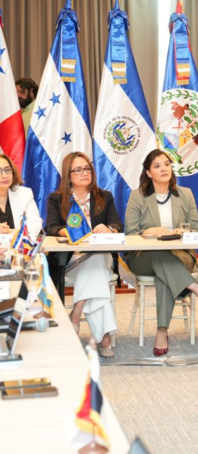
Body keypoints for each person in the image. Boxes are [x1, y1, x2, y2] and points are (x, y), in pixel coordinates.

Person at [124, 149, 198, 357]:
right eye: (157, 166)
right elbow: (130, 234)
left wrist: (183, 232)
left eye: (167, 164)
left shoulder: (185, 194)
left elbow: (195, 229)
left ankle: (161, 331)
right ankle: (197, 289)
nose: (164, 169)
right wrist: (150, 232)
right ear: (148, 173)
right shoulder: (137, 196)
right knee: (160, 256)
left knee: (164, 269)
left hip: (180, 254)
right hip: (143, 256)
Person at [46, 152, 121, 358]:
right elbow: (51, 228)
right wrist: (67, 232)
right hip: (71, 260)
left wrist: (109, 229)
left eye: (87, 168)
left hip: (100, 256)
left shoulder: (104, 196)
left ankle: (75, 314)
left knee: (94, 261)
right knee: (95, 273)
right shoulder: (57, 199)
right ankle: (104, 339)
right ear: (68, 175)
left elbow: (117, 224)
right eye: (78, 170)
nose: (84, 173)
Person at [0, 154, 42, 239]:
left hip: (19, 246)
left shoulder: (24, 194)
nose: (5, 175)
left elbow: (36, 225)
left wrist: (15, 232)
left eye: (7, 170)